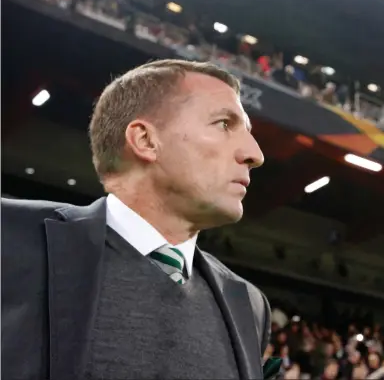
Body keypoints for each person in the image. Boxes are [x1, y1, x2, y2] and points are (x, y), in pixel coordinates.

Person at [2, 59, 270, 380]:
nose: (255, 154)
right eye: (225, 124)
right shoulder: (11, 238)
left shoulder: (251, 306)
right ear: (145, 140)